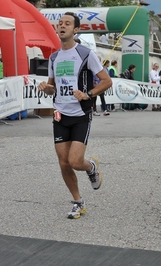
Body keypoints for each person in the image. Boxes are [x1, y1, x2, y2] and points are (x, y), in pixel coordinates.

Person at [37, 12, 112, 219]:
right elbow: (53, 88)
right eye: (60, 23)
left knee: (76, 161)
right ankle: (78, 202)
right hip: (60, 114)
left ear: (76, 30)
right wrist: (46, 87)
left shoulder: (85, 54)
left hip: (80, 113)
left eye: (67, 24)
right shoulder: (53, 57)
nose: (62, 26)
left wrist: (87, 94)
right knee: (63, 162)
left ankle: (92, 167)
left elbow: (106, 81)